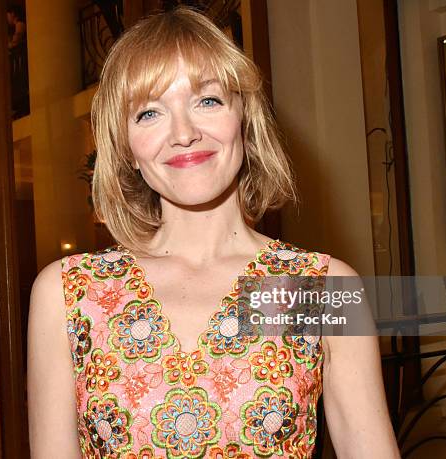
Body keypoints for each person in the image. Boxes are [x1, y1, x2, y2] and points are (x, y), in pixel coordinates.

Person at [27, 6, 401, 458]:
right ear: (125, 145)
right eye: (149, 113)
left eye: (207, 100)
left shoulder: (320, 290)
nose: (183, 133)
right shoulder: (69, 293)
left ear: (243, 118)